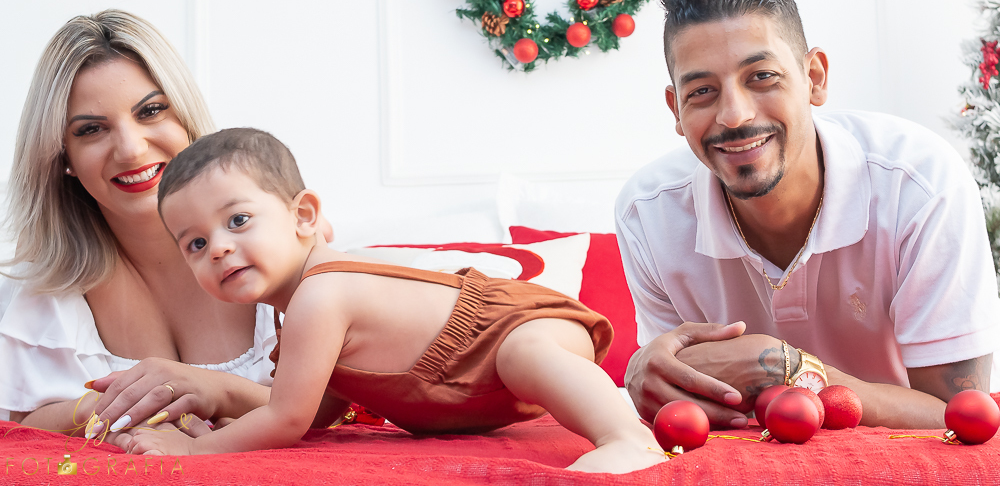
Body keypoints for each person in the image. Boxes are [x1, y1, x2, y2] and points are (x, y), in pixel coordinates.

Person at [125, 127, 662, 474]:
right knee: (519, 358)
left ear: (303, 216)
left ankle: (625, 436)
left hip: (509, 328)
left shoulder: (322, 293)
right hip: (478, 389)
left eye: (238, 220)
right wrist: (223, 417)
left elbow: (286, 419)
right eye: (195, 244)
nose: (218, 248)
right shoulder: (300, 314)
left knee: (525, 352)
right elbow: (315, 413)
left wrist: (194, 452)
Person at [616, 0, 1000, 430]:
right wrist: (648, 374)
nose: (734, 115)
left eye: (762, 77)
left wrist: (786, 367)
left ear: (814, 78)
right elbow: (684, 400)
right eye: (702, 91)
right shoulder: (648, 214)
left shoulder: (920, 185)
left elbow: (958, 420)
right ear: (676, 108)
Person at [0, 11, 282, 443]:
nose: (131, 150)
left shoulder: (278, 248)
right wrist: (108, 409)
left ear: (186, 119)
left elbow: (334, 406)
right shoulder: (42, 296)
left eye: (150, 111)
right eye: (91, 129)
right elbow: (20, 426)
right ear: (63, 157)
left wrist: (216, 391)